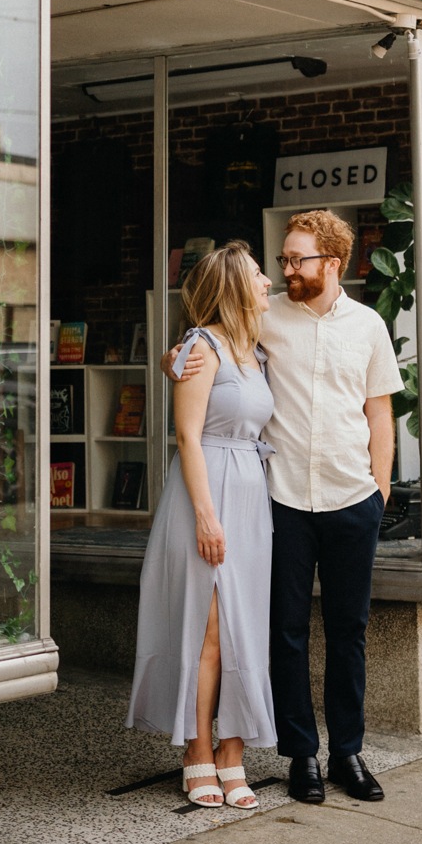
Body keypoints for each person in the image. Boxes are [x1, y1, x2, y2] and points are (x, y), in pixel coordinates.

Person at [169, 208, 401, 805]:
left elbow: (380, 413)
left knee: (349, 631)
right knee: (286, 633)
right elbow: (212, 340)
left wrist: (381, 489)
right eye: (283, 260)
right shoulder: (265, 318)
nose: (287, 269)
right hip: (284, 502)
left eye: (298, 259)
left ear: (333, 262)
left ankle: (348, 751)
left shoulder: (370, 326)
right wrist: (179, 355)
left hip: (353, 499)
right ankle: (303, 757)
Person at [126, 241, 276, 808]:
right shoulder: (202, 346)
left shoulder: (255, 350)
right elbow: (187, 435)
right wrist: (206, 515)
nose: (268, 283)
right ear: (237, 285)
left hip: (250, 495)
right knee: (209, 631)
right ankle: (197, 751)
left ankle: (234, 752)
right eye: (259, 276)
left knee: (244, 627)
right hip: (206, 492)